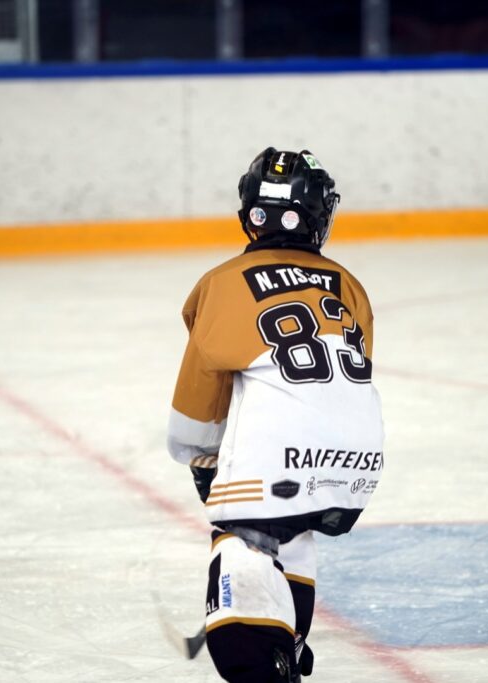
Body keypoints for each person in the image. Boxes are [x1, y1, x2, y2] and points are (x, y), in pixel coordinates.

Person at [167, 147, 385, 682]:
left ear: (250, 213)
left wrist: (200, 455)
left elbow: (204, 382)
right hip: (359, 460)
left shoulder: (223, 280)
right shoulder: (348, 283)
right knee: (288, 524)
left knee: (244, 539)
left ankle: (260, 658)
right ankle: (290, 637)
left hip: (275, 456)